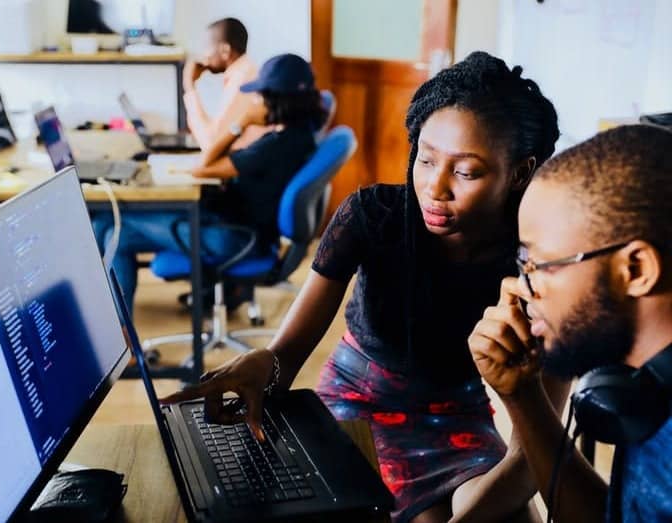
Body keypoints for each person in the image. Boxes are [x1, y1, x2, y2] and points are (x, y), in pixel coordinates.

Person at [161, 51, 563, 522]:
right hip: (355, 405)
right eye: (426, 159)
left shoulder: (543, 266)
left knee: (513, 516)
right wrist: (263, 365)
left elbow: (534, 454)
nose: (435, 188)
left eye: (466, 171)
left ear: (519, 172)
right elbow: (286, 354)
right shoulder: (373, 218)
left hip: (456, 421)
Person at [468, 124, 672, 523]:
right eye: (522, 263)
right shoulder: (643, 387)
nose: (520, 287)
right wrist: (522, 394)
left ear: (635, 269)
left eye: (540, 265)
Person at [96, 53, 325, 318]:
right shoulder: (300, 135)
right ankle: (114, 326)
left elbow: (203, 166)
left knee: (115, 232)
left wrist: (240, 123)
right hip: (239, 228)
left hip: (233, 238)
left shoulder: (276, 146)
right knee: (106, 223)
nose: (253, 101)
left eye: (258, 95)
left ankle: (121, 336)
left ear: (275, 100)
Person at [183, 17, 267, 150]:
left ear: (225, 51)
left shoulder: (242, 80)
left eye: (207, 48)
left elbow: (211, 144)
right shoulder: (245, 72)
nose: (204, 56)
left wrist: (189, 86)